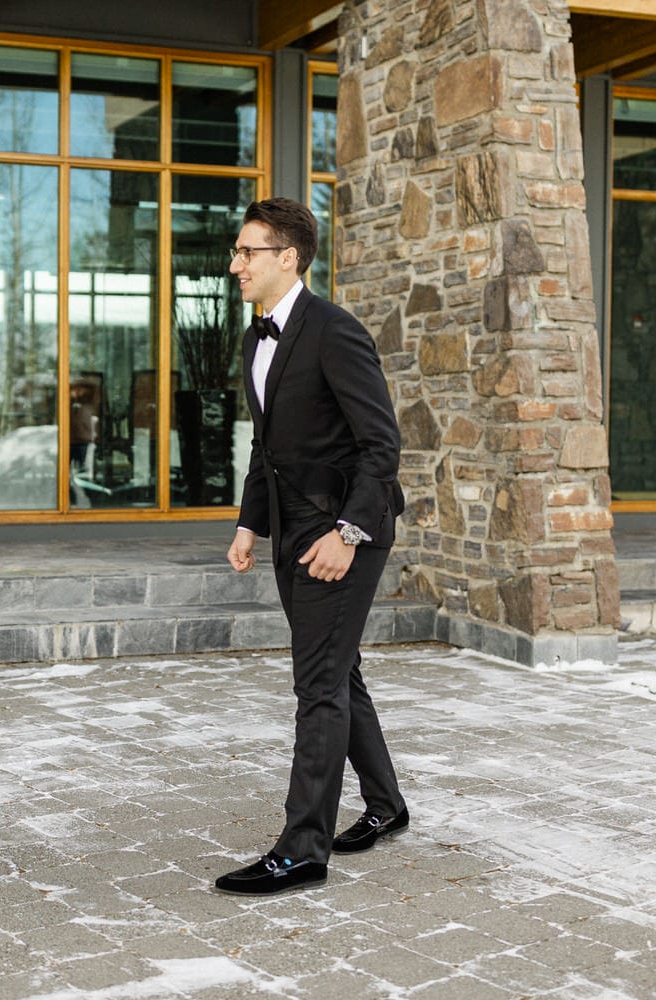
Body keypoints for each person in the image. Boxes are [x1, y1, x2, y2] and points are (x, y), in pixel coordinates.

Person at [216, 197, 408, 896]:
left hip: (345, 532)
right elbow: (268, 449)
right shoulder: (253, 339)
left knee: (318, 686)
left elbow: (381, 445)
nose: (234, 264)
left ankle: (302, 850)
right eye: (236, 253)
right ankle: (386, 806)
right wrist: (249, 523)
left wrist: (348, 534)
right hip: (293, 530)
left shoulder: (335, 332)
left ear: (287, 258)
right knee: (337, 671)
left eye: (247, 252)